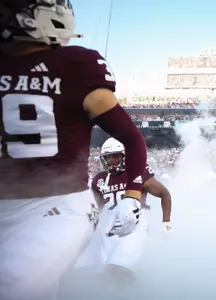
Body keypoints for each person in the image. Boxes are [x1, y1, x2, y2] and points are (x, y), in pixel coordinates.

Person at [0, 1, 147, 299]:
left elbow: (133, 139)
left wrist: (133, 198)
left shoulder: (75, 65)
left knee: (11, 285)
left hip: (55, 207)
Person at [89, 138, 172, 284]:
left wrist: (166, 223)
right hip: (111, 230)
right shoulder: (99, 180)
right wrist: (89, 228)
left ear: (124, 156)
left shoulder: (138, 172)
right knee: (109, 274)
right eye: (108, 157)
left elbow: (164, 194)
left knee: (119, 270)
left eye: (116, 156)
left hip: (136, 226)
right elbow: (97, 209)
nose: (112, 160)